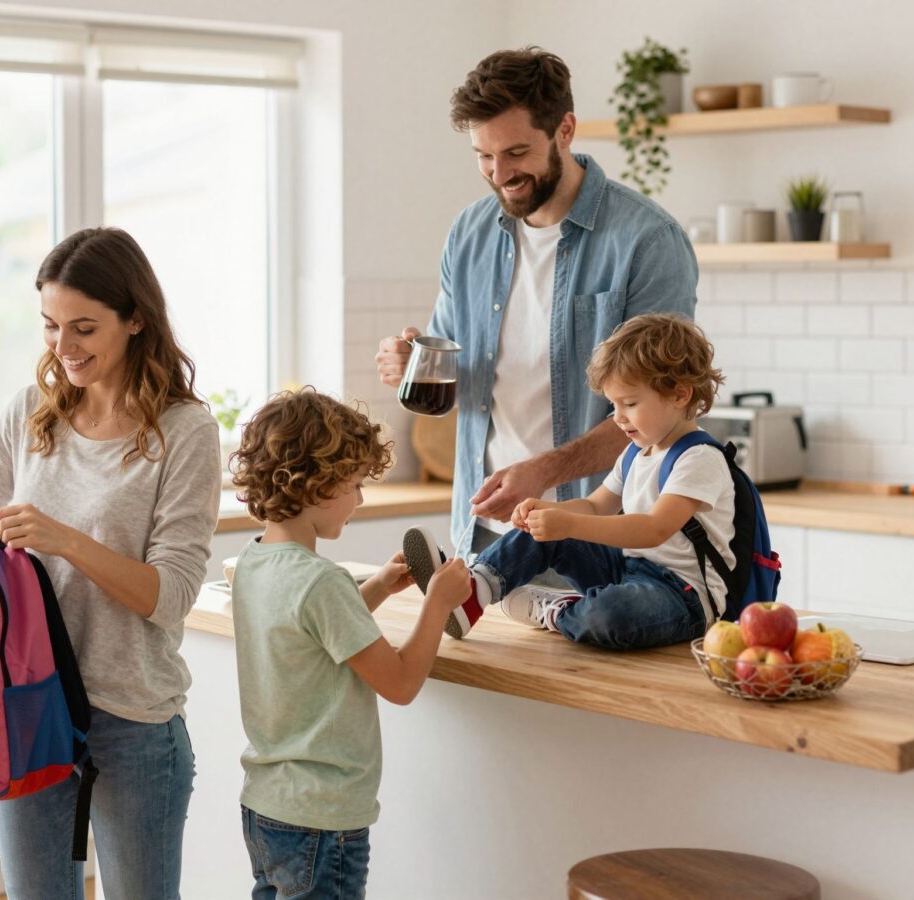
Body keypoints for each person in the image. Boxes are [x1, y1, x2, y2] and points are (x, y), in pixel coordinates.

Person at [0, 227, 221, 899]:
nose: (63, 348)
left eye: (84, 328)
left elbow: (172, 594)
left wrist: (65, 540)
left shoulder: (185, 432)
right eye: (50, 326)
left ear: (135, 320)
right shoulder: (32, 413)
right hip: (27, 704)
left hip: (133, 720)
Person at [375, 46, 698, 562]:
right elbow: (453, 368)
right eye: (484, 155)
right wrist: (410, 359)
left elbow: (664, 411)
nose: (499, 173)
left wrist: (546, 471)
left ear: (564, 130)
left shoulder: (647, 241)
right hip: (484, 536)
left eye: (516, 153)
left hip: (601, 542)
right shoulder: (470, 233)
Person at [228, 388, 470, 900]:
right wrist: (437, 604)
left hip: (266, 807)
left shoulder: (252, 563)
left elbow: (310, 634)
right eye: (355, 485)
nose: (360, 501)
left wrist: (378, 587)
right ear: (317, 484)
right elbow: (401, 683)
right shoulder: (322, 581)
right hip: (321, 819)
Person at [404, 314, 733, 649]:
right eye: (613, 405)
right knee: (542, 527)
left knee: (610, 616)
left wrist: (569, 523)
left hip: (682, 596)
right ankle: (475, 591)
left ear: (680, 395)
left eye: (630, 404)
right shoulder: (639, 452)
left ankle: (558, 611)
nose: (618, 418)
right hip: (629, 567)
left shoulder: (699, 457)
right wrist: (545, 512)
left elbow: (653, 529)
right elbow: (595, 505)